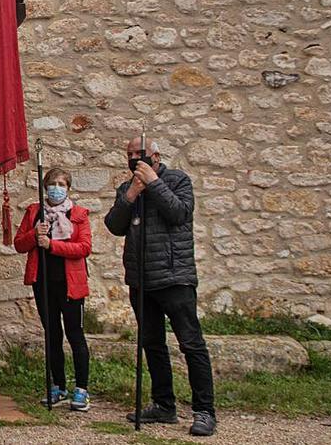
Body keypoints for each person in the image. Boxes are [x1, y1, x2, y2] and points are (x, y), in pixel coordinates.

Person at [105, 137, 216, 437]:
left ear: (155, 155)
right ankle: (163, 405)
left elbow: (180, 213)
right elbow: (114, 225)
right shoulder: (128, 188)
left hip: (174, 276)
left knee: (191, 343)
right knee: (152, 343)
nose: (132, 158)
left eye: (137, 154)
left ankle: (204, 410)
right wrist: (131, 194)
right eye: (128, 154)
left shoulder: (178, 180)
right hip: (141, 280)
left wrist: (153, 183)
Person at [13, 167, 93, 411]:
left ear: (68, 188)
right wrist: (33, 235)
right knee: (52, 335)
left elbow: (84, 247)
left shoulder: (78, 214)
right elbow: (19, 244)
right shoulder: (35, 212)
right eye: (52, 183)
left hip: (70, 284)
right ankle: (58, 385)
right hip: (44, 281)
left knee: (75, 334)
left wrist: (53, 245)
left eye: (61, 184)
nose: (56, 188)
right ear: (45, 187)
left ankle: (81, 389)